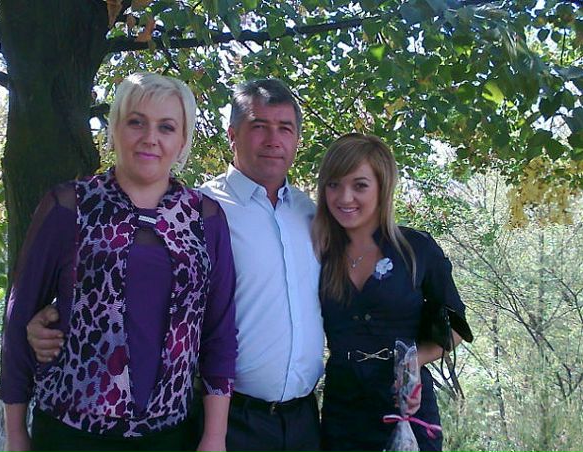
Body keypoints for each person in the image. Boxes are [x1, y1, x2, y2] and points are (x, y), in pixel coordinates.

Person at [25, 78, 325, 451]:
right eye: (259, 126)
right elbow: (131, 277)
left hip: (303, 421)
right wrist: (54, 315)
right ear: (232, 135)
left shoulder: (312, 215)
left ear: (297, 139)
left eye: (285, 128)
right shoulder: (198, 213)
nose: (273, 140)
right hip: (226, 418)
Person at [0, 72, 237, 452]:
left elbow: (219, 331)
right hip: (70, 434)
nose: (150, 138)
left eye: (167, 127)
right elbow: (19, 315)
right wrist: (15, 435)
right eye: (136, 122)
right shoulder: (69, 206)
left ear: (182, 141)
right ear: (115, 129)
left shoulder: (205, 218)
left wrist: (215, 436)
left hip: (170, 436)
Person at [311, 133, 474, 452]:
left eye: (360, 185)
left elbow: (456, 329)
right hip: (343, 411)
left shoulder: (417, 250)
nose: (344, 197)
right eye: (333, 184)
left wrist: (415, 361)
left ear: (382, 187)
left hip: (408, 408)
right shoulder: (317, 252)